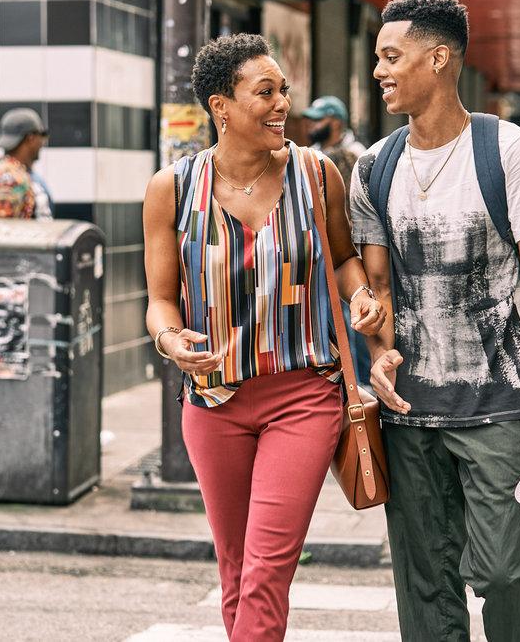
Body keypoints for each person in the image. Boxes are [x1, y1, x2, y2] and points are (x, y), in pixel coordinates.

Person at [350, 0, 520, 641]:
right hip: (409, 414)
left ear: (438, 58)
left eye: (391, 56)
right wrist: (378, 352)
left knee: (508, 572)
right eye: (377, 58)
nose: (378, 70)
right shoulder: (373, 169)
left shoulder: (510, 152)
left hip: (499, 407)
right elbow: (379, 287)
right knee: (426, 587)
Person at [143, 34, 386, 641]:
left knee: (267, 570)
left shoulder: (316, 174)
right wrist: (170, 339)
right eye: (266, 92)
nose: (283, 104)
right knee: (236, 568)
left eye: (284, 91)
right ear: (220, 106)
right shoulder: (172, 189)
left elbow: (342, 259)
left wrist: (359, 294)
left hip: (303, 395)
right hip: (213, 402)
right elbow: (160, 300)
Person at [303, 95, 372, 386]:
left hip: (352, 253)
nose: (311, 125)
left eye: (319, 119)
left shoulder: (358, 155)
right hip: (320, 253)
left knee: (356, 318)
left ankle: (363, 384)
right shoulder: (311, 157)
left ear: (336, 121)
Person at [0, 108, 53, 220]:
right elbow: (0, 226)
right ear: (30, 138)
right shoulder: (7, 179)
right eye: (41, 136)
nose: (42, 143)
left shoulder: (17, 172)